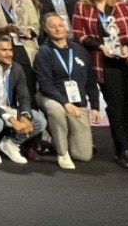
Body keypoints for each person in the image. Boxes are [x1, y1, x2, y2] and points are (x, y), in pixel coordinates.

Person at [72, 0, 128, 168]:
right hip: (103, 62)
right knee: (116, 108)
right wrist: (100, 46)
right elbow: (79, 34)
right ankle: (122, 149)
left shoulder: (123, 6)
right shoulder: (82, 7)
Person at [34, 14, 101, 170]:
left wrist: (96, 106)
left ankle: (52, 138)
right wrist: (65, 103)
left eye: (61, 25)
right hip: (51, 97)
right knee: (57, 112)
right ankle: (62, 152)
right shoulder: (44, 52)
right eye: (53, 26)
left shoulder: (80, 50)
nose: (58, 29)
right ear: (45, 29)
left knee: (83, 155)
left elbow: (91, 80)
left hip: (77, 101)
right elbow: (45, 85)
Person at [0, 35, 46, 164]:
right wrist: (11, 119)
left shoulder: (17, 68)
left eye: (10, 50)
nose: (9, 54)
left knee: (40, 121)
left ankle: (11, 143)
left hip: (8, 108)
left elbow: (24, 96)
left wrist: (24, 115)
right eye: (4, 50)